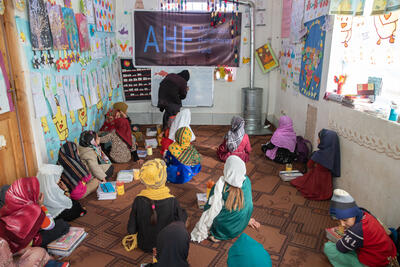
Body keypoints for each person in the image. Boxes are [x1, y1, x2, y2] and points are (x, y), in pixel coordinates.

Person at [191, 156, 259, 243]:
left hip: (226, 230)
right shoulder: (247, 181)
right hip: (242, 222)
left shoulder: (221, 187)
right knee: (240, 207)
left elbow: (211, 211)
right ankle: (243, 221)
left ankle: (218, 236)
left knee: (213, 209)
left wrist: (202, 229)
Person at [324, 189, 397, 267]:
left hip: (377, 263)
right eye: (338, 220)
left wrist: (335, 241)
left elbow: (340, 247)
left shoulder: (357, 230)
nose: (342, 224)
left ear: (354, 213)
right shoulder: (365, 214)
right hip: (388, 255)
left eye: (345, 220)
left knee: (328, 248)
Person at [127, 159, 187, 252]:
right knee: (183, 214)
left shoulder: (138, 199)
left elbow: (131, 228)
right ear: (163, 177)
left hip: (144, 244)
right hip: (165, 245)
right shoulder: (172, 201)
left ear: (144, 179)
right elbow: (180, 221)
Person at [0, 177, 69, 253]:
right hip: (28, 243)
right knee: (63, 225)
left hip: (10, 246)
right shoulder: (34, 210)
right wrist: (41, 205)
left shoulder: (5, 208)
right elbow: (50, 225)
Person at [290, 129, 340, 200]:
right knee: (324, 192)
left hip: (316, 178)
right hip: (327, 180)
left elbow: (309, 165)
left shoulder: (318, 154)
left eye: (319, 139)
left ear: (325, 142)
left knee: (298, 182)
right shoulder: (334, 154)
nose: (317, 140)